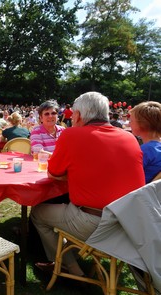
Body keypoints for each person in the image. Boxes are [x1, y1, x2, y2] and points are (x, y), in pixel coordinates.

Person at [31, 91, 145, 277]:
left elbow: (53, 173)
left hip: (94, 222)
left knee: (37, 213)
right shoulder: (129, 137)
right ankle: (72, 255)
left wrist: (75, 175)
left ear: (79, 115)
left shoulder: (71, 134)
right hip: (128, 224)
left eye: (74, 113)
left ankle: (69, 267)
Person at [129, 101, 161, 183]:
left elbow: (127, 176)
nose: (129, 124)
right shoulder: (156, 147)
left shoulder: (146, 150)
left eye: (131, 121)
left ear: (142, 125)